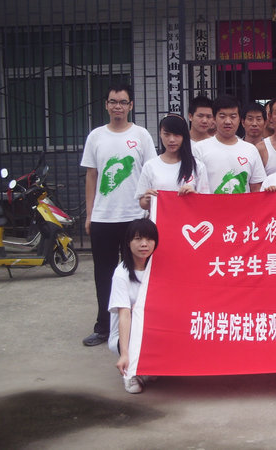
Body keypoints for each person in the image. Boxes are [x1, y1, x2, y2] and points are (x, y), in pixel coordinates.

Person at [80, 83, 157, 347]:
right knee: (104, 274)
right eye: (113, 101)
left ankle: (140, 322)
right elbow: (91, 176)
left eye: (123, 102)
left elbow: (151, 173)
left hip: (135, 217)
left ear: (131, 105)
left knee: (137, 273)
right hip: (103, 218)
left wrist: (150, 212)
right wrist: (89, 215)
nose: (118, 107)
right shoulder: (96, 136)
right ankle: (103, 326)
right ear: (106, 105)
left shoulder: (141, 135)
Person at [108, 218, 158, 394]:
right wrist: (124, 354)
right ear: (128, 242)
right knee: (135, 312)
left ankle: (147, 365)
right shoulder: (121, 274)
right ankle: (130, 373)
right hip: (127, 334)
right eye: (138, 239)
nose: (144, 244)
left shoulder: (157, 268)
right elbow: (124, 315)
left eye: (149, 239)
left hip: (150, 329)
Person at [193, 94, 266, 194]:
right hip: (210, 204)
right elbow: (193, 184)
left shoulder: (251, 150)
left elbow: (256, 188)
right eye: (222, 116)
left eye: (233, 117)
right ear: (214, 118)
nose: (228, 121)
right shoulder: (199, 149)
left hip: (243, 204)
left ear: (239, 120)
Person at [136, 114, 210, 211]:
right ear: (160, 134)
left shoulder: (197, 166)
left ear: (184, 136)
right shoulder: (150, 166)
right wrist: (147, 199)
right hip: (160, 219)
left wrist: (194, 195)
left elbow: (206, 202)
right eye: (166, 134)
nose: (171, 140)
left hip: (187, 220)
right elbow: (142, 203)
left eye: (177, 135)